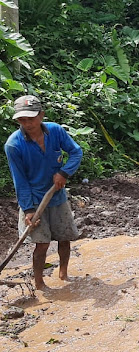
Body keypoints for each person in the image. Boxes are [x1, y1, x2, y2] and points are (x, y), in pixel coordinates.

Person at [4, 95, 83, 290]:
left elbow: (76, 152)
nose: (27, 124)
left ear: (41, 115)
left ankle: (63, 273)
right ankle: (39, 283)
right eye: (22, 120)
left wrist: (64, 173)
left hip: (57, 196)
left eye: (31, 119)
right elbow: (19, 180)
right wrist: (28, 209)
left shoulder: (55, 131)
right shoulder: (14, 145)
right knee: (41, 244)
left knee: (65, 237)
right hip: (34, 200)